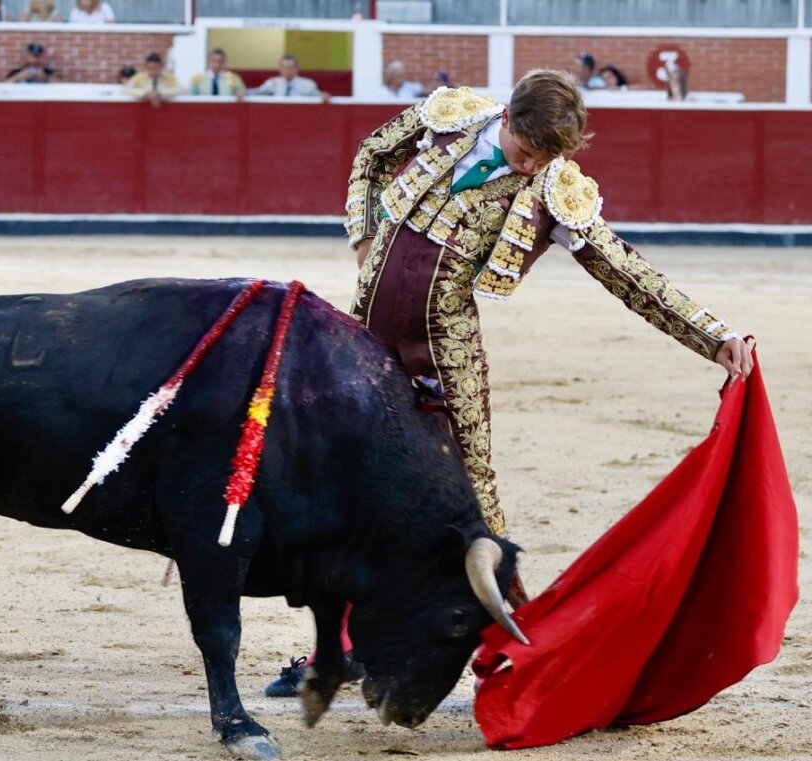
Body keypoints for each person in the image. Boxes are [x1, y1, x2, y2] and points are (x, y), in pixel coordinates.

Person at [262, 69, 753, 698]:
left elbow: (625, 270)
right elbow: (373, 153)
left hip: (445, 352)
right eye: (526, 152)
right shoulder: (455, 118)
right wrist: (362, 235)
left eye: (546, 159)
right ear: (509, 122)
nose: (530, 168)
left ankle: (519, 655)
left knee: (474, 505)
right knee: (351, 489)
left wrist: (712, 336)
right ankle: (339, 651)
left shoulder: (553, 187)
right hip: (363, 341)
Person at [249, 55, 329, 101]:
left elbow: (318, 96)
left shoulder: (307, 84)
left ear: (297, 68)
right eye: (285, 67)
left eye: (291, 67)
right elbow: (257, 92)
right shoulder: (273, 83)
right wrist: (243, 92)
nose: (288, 71)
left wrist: (323, 96)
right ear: (280, 69)